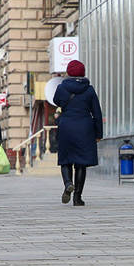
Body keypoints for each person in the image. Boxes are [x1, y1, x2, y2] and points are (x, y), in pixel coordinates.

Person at [52, 60, 103, 206]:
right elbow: (97, 113)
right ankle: (77, 198)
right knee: (81, 163)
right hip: (85, 128)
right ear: (83, 72)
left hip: (66, 126)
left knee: (66, 160)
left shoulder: (62, 88)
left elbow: (57, 101)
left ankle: (68, 183)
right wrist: (98, 133)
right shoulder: (89, 89)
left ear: (68, 72)